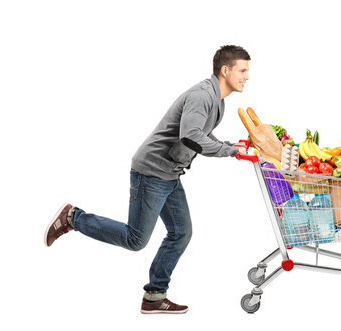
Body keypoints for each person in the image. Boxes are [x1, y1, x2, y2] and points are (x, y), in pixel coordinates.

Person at [44, 45, 251, 314]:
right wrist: (231, 152)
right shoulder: (203, 96)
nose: (247, 76)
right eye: (243, 70)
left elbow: (200, 134)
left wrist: (229, 145)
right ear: (225, 70)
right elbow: (190, 137)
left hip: (169, 173)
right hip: (152, 171)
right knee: (136, 239)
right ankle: (73, 217)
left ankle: (154, 296)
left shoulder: (217, 101)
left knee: (181, 233)